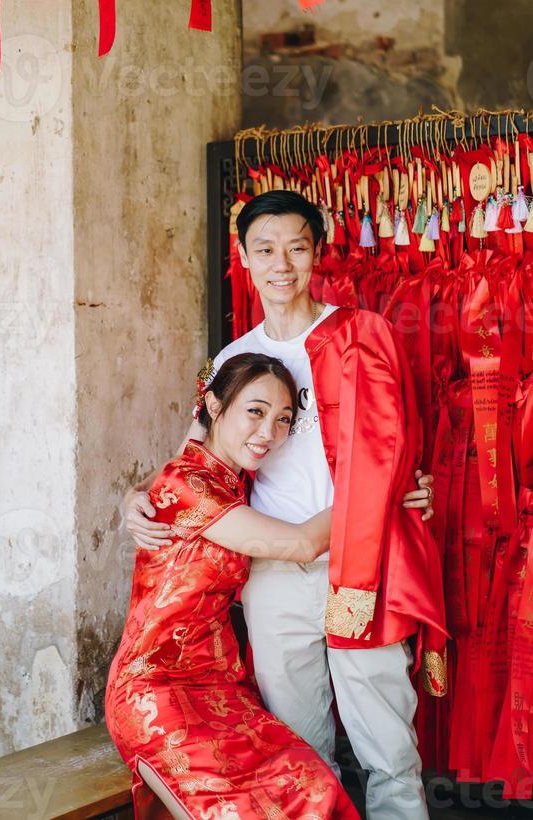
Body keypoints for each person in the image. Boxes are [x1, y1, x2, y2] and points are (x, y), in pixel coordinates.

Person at [125, 191, 446, 820]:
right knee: (299, 750)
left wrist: (398, 494)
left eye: (297, 248)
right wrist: (136, 499)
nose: (282, 264)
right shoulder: (232, 358)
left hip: (361, 561)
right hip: (272, 568)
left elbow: (390, 446)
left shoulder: (359, 335)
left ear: (317, 253)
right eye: (265, 249)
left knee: (386, 743)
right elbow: (196, 459)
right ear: (242, 257)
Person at [106, 353, 359, 820]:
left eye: (283, 419)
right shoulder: (189, 484)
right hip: (155, 688)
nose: (268, 433)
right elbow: (303, 544)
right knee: (234, 810)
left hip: (221, 685)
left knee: (312, 783)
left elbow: (178, 457)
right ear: (216, 406)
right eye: (255, 412)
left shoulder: (232, 479)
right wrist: (373, 493)